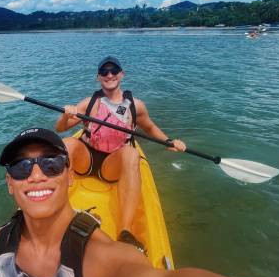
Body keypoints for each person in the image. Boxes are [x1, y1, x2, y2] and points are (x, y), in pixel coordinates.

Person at [0, 128, 279, 277]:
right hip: (87, 154)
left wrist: (169, 141)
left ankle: (126, 228)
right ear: (10, 183)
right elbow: (64, 130)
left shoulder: (98, 259)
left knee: (129, 153)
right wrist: (69, 119)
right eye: (22, 166)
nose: (36, 175)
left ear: (69, 177)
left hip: (113, 159)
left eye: (51, 163)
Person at [55, 56, 185, 250]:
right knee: (67, 144)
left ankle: (125, 232)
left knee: (132, 154)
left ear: (121, 75)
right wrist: (66, 115)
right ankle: (56, 212)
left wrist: (168, 141)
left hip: (112, 165)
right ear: (99, 77)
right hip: (86, 158)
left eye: (114, 71)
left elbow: (149, 127)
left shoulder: (135, 105)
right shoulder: (91, 102)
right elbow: (60, 128)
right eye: (105, 72)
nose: (110, 75)